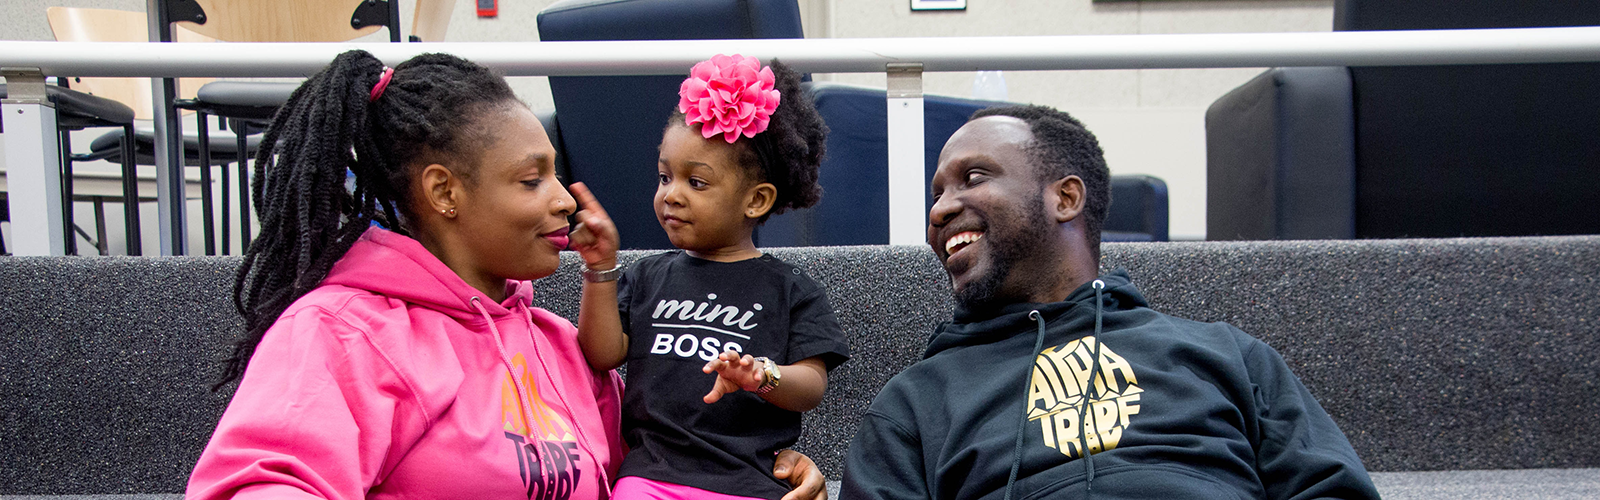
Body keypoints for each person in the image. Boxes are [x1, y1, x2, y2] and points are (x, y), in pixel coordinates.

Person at [186, 49, 826, 500]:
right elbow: (268, 482)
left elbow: (656, 460)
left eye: (556, 173)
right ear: (444, 191)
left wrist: (759, 468)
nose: (565, 201)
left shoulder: (555, 344)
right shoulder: (343, 332)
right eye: (531, 180)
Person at [839, 105, 1380, 499]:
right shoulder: (913, 403)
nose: (939, 210)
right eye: (936, 193)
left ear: (1065, 197)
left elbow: (1332, 490)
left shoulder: (1224, 353)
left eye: (972, 178)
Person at [573, 54, 850, 500]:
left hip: (749, 481)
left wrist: (762, 375)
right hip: (649, 476)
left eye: (696, 183)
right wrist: (600, 268)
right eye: (665, 176)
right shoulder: (647, 276)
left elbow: (811, 387)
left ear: (756, 200)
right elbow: (603, 354)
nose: (671, 195)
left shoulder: (792, 289)